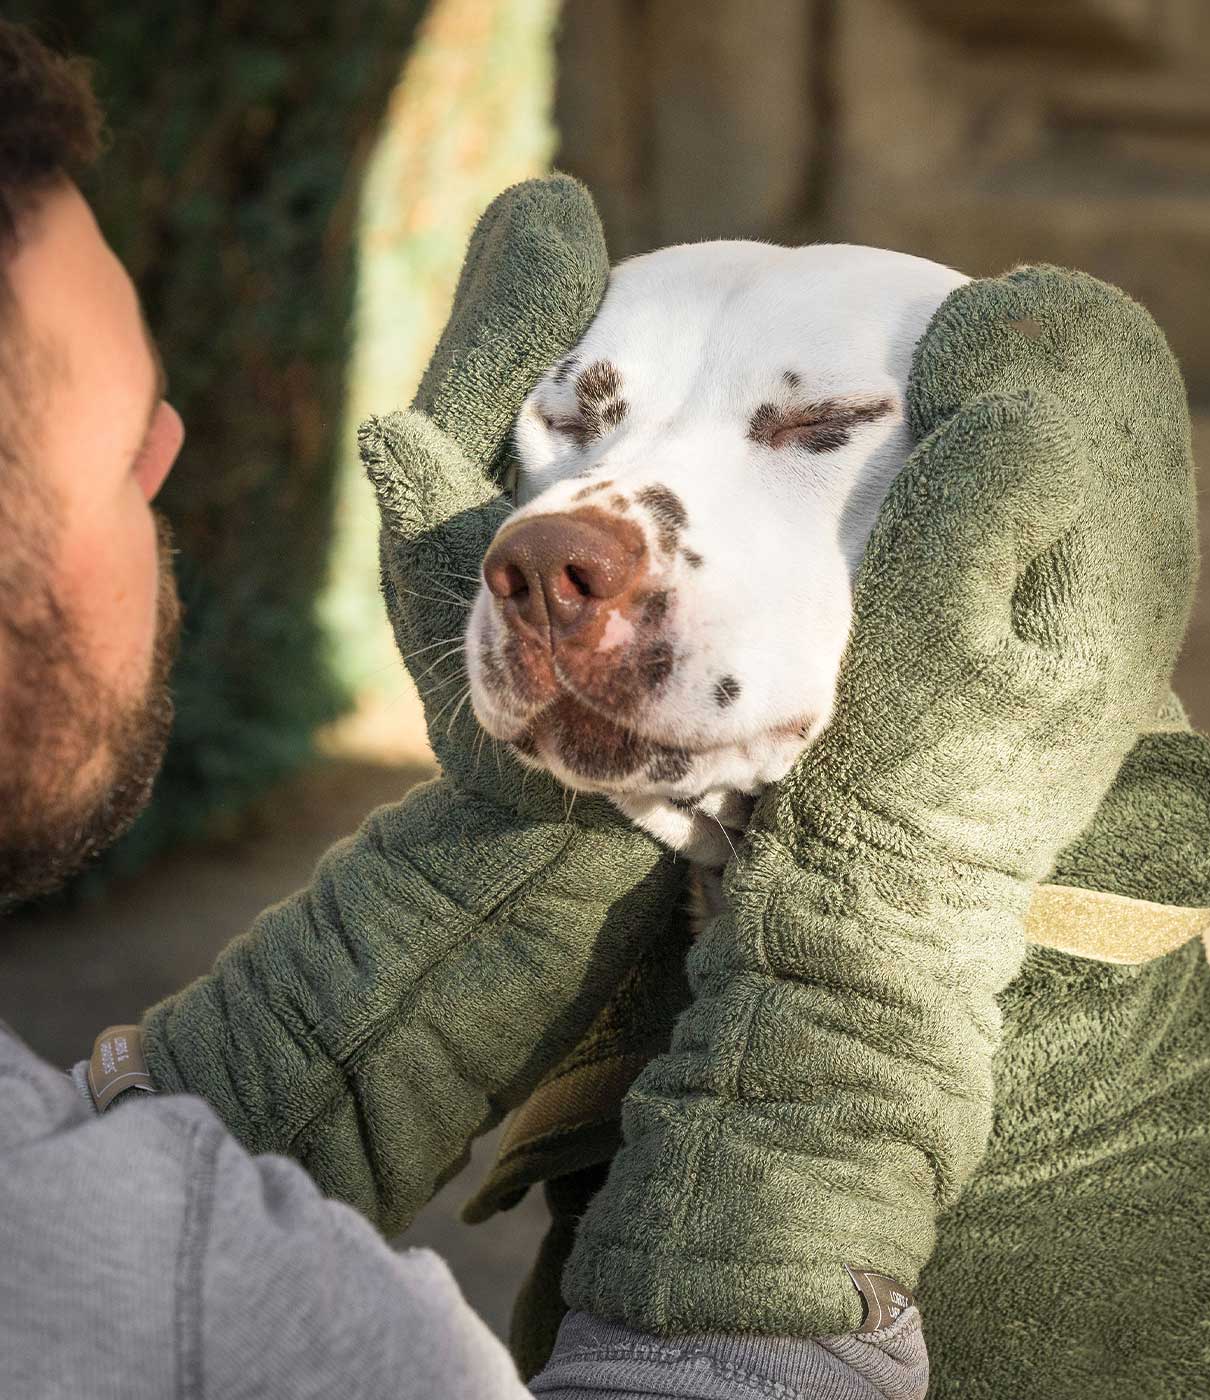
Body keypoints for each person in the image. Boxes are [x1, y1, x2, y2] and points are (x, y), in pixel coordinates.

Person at [0, 23, 930, 1400]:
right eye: (129, 438)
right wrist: (787, 1270)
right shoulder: (203, 1295)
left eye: (815, 428)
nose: (562, 533)